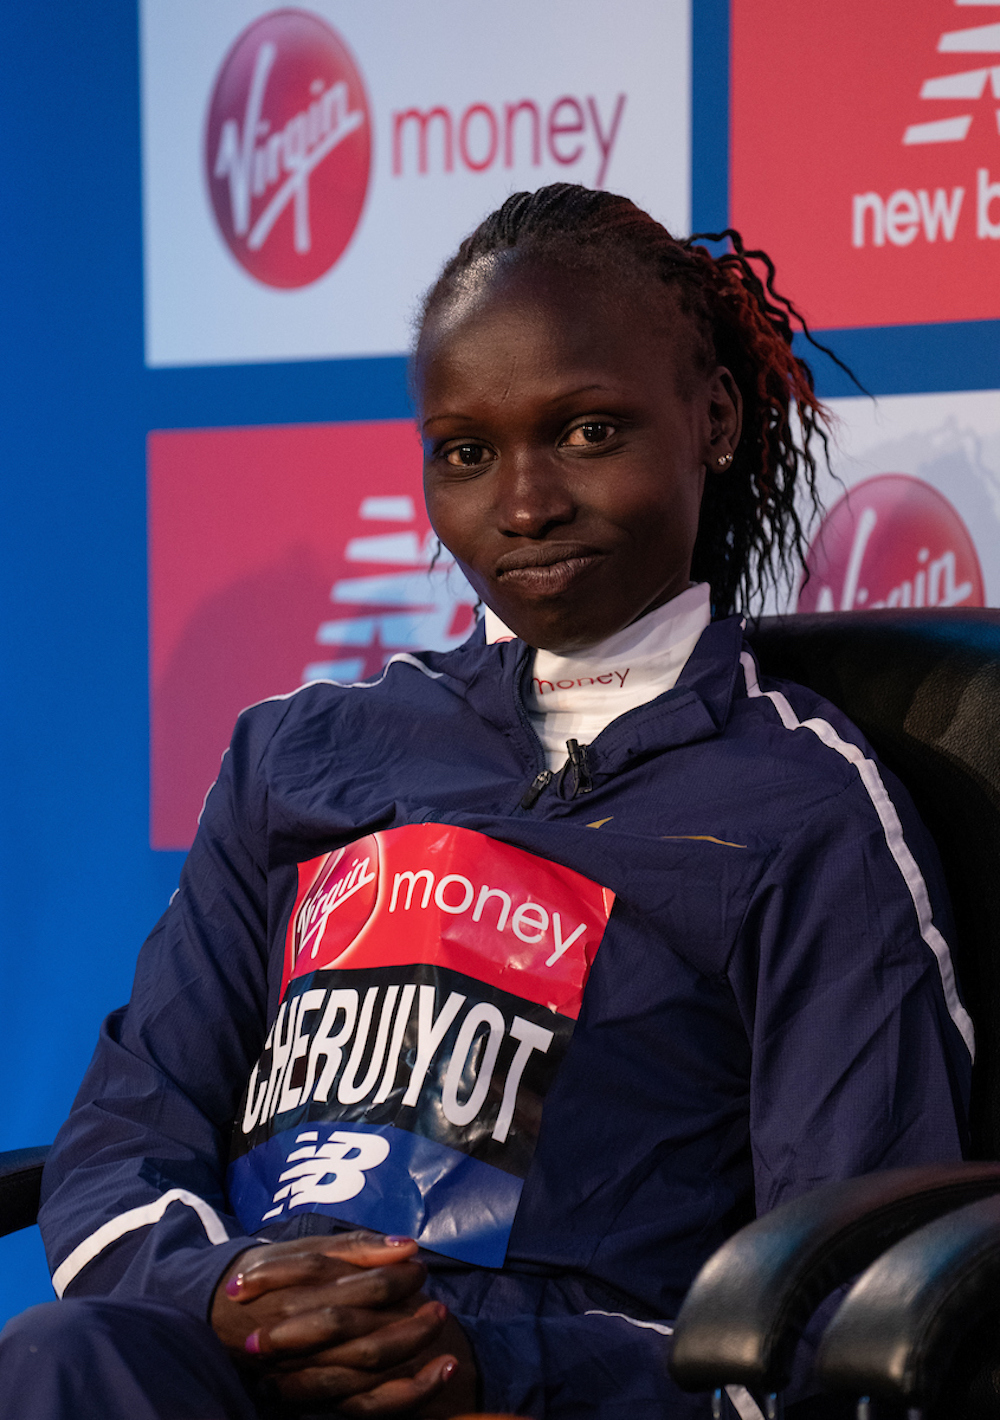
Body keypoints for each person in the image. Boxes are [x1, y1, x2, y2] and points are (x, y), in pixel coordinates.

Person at [0, 185, 973, 1419]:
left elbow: (837, 1297)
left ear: (713, 419)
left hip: (552, 1390)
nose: (523, 504)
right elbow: (125, 1138)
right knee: (61, 1355)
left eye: (587, 432)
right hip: (246, 1362)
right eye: (466, 452)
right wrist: (229, 1289)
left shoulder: (800, 806)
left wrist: (483, 1364)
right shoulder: (298, 752)